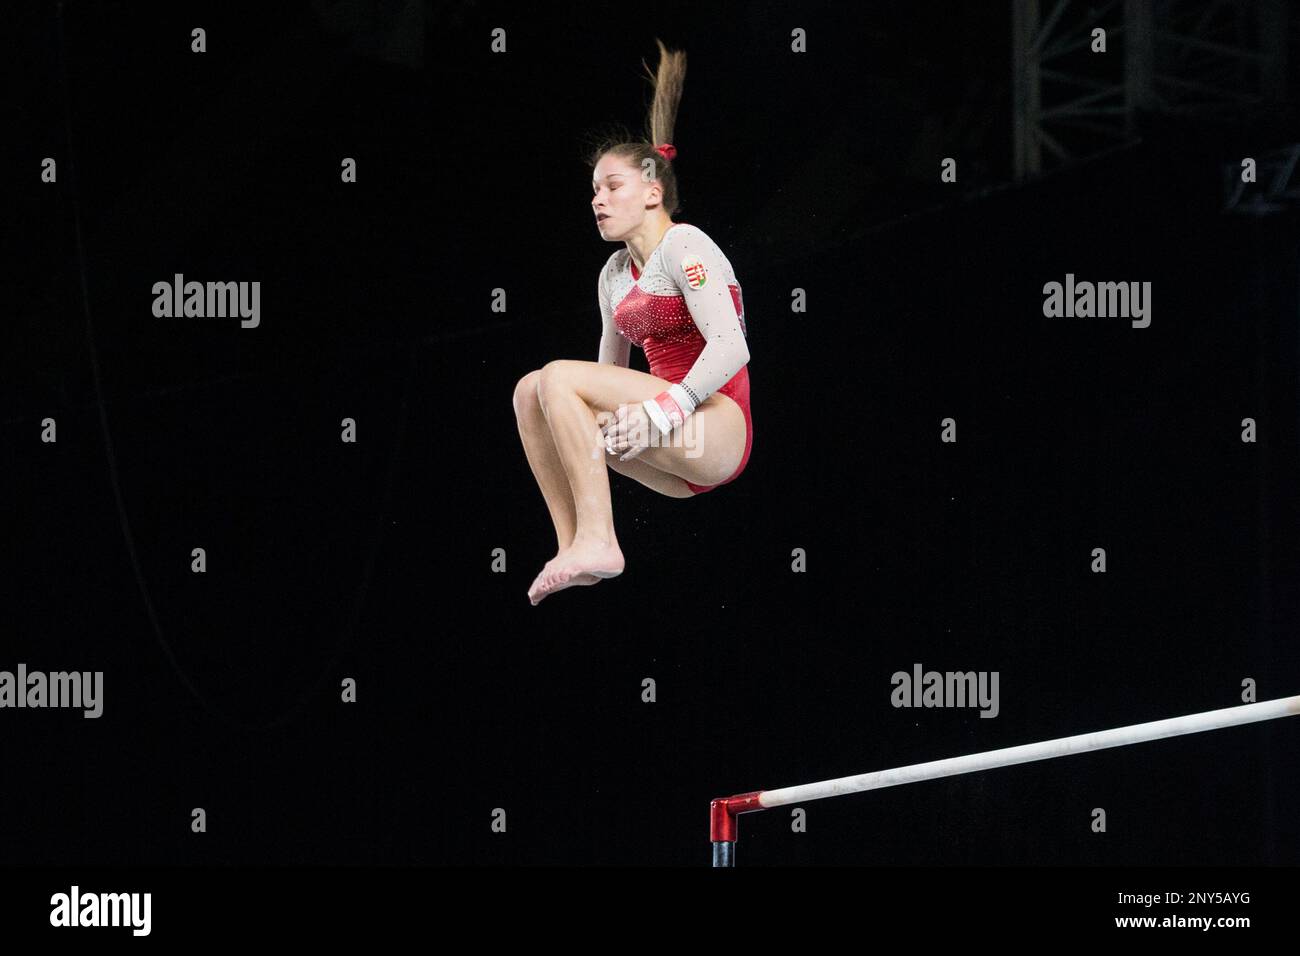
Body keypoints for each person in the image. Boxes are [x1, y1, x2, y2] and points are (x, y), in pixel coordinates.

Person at [512, 39, 753, 606]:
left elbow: (732, 346)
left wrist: (662, 410)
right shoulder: (613, 275)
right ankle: (574, 545)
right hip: (670, 447)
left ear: (652, 190)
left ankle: (600, 538)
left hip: (717, 426)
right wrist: (613, 427)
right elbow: (605, 376)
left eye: (612, 186)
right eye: (593, 190)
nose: (597, 200)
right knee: (531, 394)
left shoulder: (683, 244)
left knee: (555, 377)